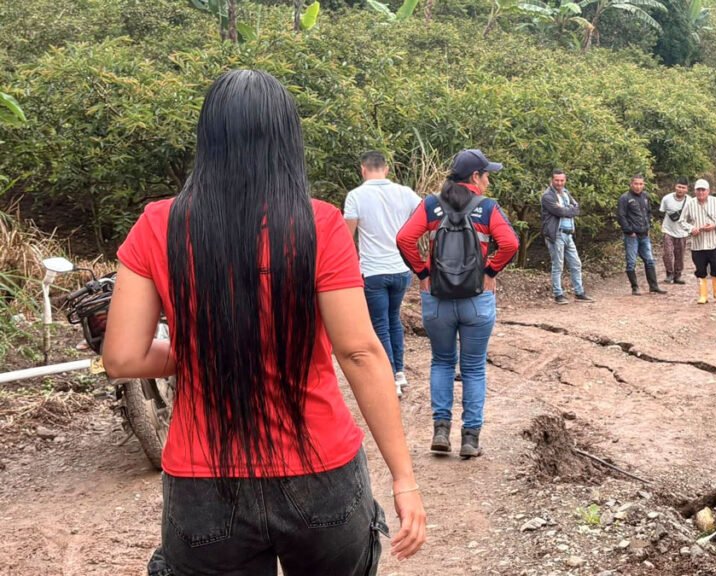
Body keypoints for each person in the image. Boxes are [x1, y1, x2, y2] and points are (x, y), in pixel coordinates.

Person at [102, 70, 426, 575]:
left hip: (203, 480)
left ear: (207, 139)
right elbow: (360, 352)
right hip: (321, 473)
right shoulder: (318, 224)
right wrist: (403, 479)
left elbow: (123, 358)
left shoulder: (157, 224)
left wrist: (203, 347)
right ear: (286, 140)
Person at [396, 149, 519, 457]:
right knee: (474, 367)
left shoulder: (431, 205)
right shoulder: (487, 208)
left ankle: (441, 430)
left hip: (437, 298)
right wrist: (489, 271)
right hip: (477, 298)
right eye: (487, 174)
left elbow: (404, 239)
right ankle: (470, 438)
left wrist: (423, 272)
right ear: (475, 177)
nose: (489, 179)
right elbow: (510, 243)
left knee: (441, 361)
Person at [345, 151, 422, 397]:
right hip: (401, 269)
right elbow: (426, 217)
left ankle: (389, 378)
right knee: (393, 319)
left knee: (379, 324)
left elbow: (348, 237)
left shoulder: (356, 196)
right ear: (386, 169)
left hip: (373, 271)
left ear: (363, 169)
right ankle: (398, 371)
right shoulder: (405, 193)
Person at [540, 169, 593, 304]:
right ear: (552, 180)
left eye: (562, 180)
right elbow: (559, 211)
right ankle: (558, 295)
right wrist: (568, 210)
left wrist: (567, 210)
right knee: (558, 265)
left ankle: (579, 293)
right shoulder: (547, 196)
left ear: (565, 180)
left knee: (576, 264)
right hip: (556, 234)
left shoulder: (566, 193)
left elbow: (576, 208)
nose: (559, 183)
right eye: (557, 180)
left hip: (568, 234)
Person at [679, 178, 716, 303]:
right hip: (698, 243)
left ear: (708, 191)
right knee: (700, 269)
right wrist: (691, 229)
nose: (701, 192)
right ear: (695, 191)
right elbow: (681, 221)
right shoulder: (690, 203)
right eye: (698, 190)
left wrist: (715, 225)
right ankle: (703, 295)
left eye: (703, 190)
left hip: (713, 242)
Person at [616, 174, 666, 295]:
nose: (638, 186)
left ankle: (653, 286)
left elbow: (648, 212)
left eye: (641, 184)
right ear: (631, 184)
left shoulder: (645, 196)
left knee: (649, 260)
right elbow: (621, 216)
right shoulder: (625, 198)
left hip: (644, 234)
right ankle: (635, 287)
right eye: (636, 184)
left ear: (643, 185)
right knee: (631, 262)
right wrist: (629, 230)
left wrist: (648, 225)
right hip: (631, 235)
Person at [660, 178, 690, 285]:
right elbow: (661, 212)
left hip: (682, 232)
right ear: (675, 186)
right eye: (679, 187)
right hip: (668, 230)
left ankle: (678, 275)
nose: (680, 189)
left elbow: (692, 217)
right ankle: (669, 273)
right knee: (667, 253)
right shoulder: (667, 199)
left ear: (687, 189)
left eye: (683, 188)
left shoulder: (690, 201)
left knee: (680, 254)